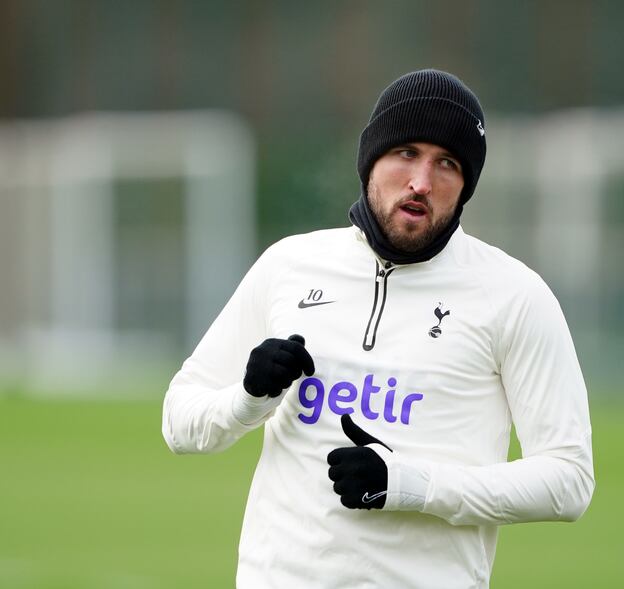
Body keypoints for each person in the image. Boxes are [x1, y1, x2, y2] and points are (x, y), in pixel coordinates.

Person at [162, 69, 594, 588]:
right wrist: (248, 398)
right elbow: (179, 423)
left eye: (447, 163)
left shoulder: (514, 295)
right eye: (406, 153)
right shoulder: (289, 265)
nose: (421, 181)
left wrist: (412, 484)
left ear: (466, 185)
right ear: (371, 159)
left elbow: (569, 481)